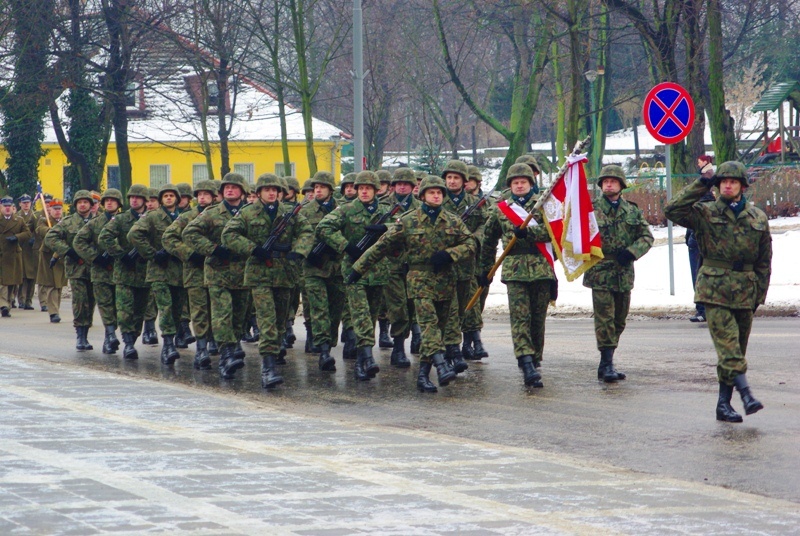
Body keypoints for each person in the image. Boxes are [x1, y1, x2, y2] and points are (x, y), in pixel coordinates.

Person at [665, 161, 771, 423]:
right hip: (714, 289)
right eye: (722, 181)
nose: (727, 185)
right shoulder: (704, 213)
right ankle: (746, 394)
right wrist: (702, 182)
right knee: (728, 346)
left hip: (745, 290)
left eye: (733, 181)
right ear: (716, 185)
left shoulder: (757, 217)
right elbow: (672, 209)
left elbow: (764, 261)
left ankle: (723, 404)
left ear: (742, 186)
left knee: (736, 349)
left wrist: (759, 295)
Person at [351, 176, 477, 392]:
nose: (436, 195)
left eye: (439, 193)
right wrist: (357, 269)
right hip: (419, 280)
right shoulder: (408, 221)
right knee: (428, 324)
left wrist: (450, 254)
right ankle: (440, 364)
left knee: (439, 327)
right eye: (431, 192)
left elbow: (471, 243)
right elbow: (382, 247)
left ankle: (422, 375)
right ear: (423, 196)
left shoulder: (453, 220)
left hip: (445, 281)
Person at [222, 173, 313, 388]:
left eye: (275, 190)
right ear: (259, 192)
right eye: (267, 189)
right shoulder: (247, 212)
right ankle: (268, 367)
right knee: (266, 319)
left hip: (284, 272)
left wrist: (298, 252)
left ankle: (274, 353)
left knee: (281, 321)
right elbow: (229, 235)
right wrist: (253, 249)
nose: (272, 193)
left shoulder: (290, 213)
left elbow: (307, 232)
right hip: (259, 273)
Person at [479, 163, 556, 387]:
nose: (519, 185)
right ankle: (525, 360)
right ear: (510, 186)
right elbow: (488, 241)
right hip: (514, 269)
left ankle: (535, 358)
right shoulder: (500, 208)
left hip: (541, 266)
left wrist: (529, 232)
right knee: (519, 317)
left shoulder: (544, 206)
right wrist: (485, 269)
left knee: (537, 318)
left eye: (523, 182)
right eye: (515, 182)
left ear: (531, 184)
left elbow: (554, 231)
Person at [317, 170, 390, 381]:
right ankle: (367, 357)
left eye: (368, 188)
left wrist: (385, 227)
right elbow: (323, 228)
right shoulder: (347, 210)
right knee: (360, 315)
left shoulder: (386, 211)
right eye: (361, 188)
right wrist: (346, 246)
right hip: (353, 271)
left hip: (378, 271)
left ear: (376, 190)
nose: (364, 191)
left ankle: (360, 360)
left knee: (372, 315)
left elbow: (405, 226)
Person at [583, 165, 653, 382]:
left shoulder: (631, 210)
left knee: (619, 320)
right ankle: (606, 363)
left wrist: (632, 253)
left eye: (613, 181)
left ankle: (607, 359)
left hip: (623, 271)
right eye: (605, 181)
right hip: (600, 271)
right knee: (605, 319)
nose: (609, 184)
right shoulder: (590, 210)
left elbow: (646, 237)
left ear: (621, 185)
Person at [183, 172, 251, 379]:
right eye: (226, 188)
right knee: (222, 315)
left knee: (240, 316)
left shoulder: (251, 212)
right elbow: (189, 233)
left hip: (244, 273)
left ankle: (233, 346)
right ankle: (226, 356)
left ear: (242, 191)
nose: (230, 190)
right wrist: (212, 249)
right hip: (218, 272)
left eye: (234, 187)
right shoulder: (212, 213)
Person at [162, 180, 218, 369]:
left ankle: (216, 342)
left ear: (213, 196)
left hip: (219, 271)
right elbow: (168, 237)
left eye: (206, 194)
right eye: (199, 194)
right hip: (195, 272)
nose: (202, 197)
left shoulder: (220, 215)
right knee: (199, 310)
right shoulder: (187, 217)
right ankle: (201, 348)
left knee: (217, 310)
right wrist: (188, 253)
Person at [128, 183, 187, 365]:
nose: (169, 198)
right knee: (166, 307)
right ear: (161, 199)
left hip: (179, 271)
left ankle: (174, 339)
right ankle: (168, 346)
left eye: (172, 195)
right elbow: (134, 234)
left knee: (178, 309)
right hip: (159, 271)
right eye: (165, 195)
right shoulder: (152, 217)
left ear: (177, 198)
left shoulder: (184, 217)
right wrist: (152, 253)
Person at [441, 159, 488, 370]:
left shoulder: (475, 202)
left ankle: (472, 341)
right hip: (446, 263)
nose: (452, 181)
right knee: (449, 308)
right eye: (449, 177)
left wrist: (474, 239)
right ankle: (452, 349)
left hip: (469, 262)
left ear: (464, 181)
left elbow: (486, 224)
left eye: (456, 178)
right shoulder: (438, 200)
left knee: (469, 305)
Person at [98, 184, 151, 360]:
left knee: (139, 312)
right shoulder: (121, 220)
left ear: (144, 200)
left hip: (144, 273)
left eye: (137, 197)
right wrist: (120, 254)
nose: (134, 200)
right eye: (131, 197)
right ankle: (128, 344)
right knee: (124, 311)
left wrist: (149, 253)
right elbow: (104, 237)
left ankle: (132, 338)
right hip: (124, 273)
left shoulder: (152, 219)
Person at [301, 171, 346, 371]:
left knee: (335, 310)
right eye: (315, 187)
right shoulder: (304, 211)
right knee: (319, 309)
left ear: (330, 189)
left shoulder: (343, 210)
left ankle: (330, 342)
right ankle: (324, 350)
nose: (317, 190)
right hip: (314, 267)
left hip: (337, 267)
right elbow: (298, 236)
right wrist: (306, 252)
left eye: (322, 187)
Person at [73, 189, 123, 354]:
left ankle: (110, 338)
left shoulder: (125, 221)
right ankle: (109, 335)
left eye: (113, 200)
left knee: (118, 306)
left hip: (121, 270)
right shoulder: (95, 223)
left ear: (119, 204)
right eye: (106, 200)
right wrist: (95, 257)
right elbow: (79, 241)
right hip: (100, 271)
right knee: (104, 304)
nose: (109, 203)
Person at [45, 190, 97, 349]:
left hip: (96, 268)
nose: (83, 204)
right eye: (79, 202)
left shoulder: (98, 221)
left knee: (91, 301)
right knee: (80, 301)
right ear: (75, 205)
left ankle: (87, 332)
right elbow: (50, 238)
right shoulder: (68, 222)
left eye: (86, 202)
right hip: (76, 269)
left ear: (90, 204)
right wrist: (68, 251)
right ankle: (80, 336)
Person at [687, 155, 716, 323]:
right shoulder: (706, 174)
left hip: (699, 242)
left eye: (699, 161)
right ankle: (703, 309)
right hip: (695, 240)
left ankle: (703, 310)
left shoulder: (708, 175)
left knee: (700, 276)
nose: (697, 163)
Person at [1, 196, 32, 317]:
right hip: (1, 255)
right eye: (5, 206)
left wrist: (17, 237)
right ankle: (3, 304)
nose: (7, 208)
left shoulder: (19, 220)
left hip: (13, 255)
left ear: (12, 207)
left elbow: (28, 233)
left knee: (11, 283)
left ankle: (7, 304)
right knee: (2, 283)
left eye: (9, 206)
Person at [36, 200, 66, 322]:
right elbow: (40, 230)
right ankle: (53, 312)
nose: (57, 211)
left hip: (61, 256)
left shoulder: (66, 222)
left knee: (58, 286)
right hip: (48, 256)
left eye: (59, 209)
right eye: (55, 209)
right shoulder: (44, 221)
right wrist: (51, 231)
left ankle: (55, 309)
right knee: (51, 285)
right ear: (50, 210)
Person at [15, 194, 38, 310]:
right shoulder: (16, 216)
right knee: (22, 276)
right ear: (20, 204)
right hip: (21, 248)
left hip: (32, 249)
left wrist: (34, 237)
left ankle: (29, 301)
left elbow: (38, 229)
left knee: (31, 277)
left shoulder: (35, 216)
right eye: (24, 203)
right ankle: (21, 300)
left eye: (28, 202)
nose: (26, 204)